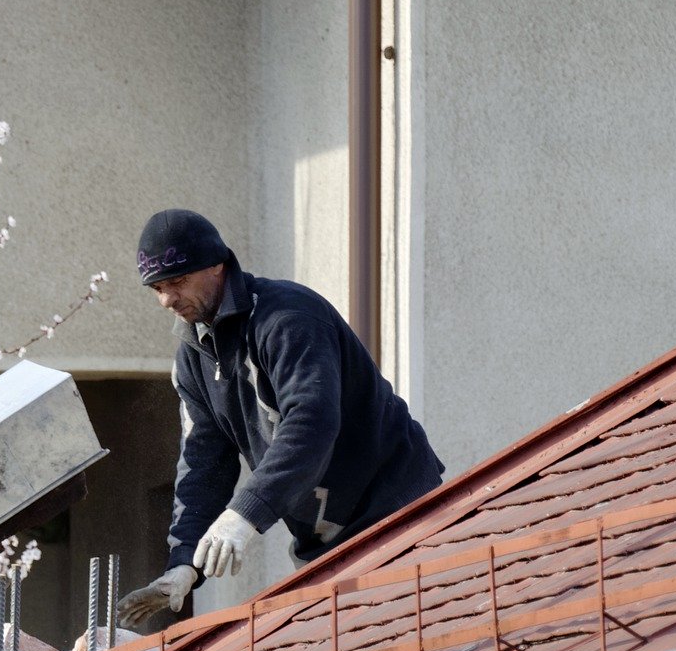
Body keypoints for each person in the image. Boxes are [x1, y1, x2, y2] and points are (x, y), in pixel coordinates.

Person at [117, 208, 443, 625]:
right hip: (324, 544)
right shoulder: (193, 355)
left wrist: (245, 513)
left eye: (177, 281)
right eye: (157, 288)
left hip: (400, 511)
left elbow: (311, 423)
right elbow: (202, 461)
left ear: (218, 264)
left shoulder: (287, 317)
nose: (167, 300)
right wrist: (184, 563)